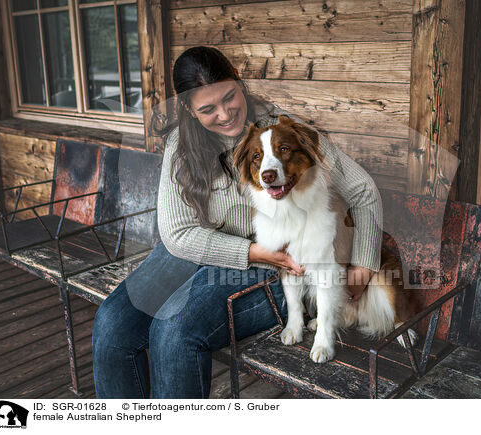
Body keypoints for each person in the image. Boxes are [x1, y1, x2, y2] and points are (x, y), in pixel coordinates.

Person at [92, 46, 382, 399]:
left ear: (240, 84)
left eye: (230, 97)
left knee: (174, 329)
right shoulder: (180, 145)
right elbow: (178, 234)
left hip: (275, 261)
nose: (226, 114)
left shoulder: (283, 130)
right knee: (112, 323)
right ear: (187, 108)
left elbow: (363, 190)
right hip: (198, 249)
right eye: (208, 109)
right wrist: (249, 250)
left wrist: (365, 264)